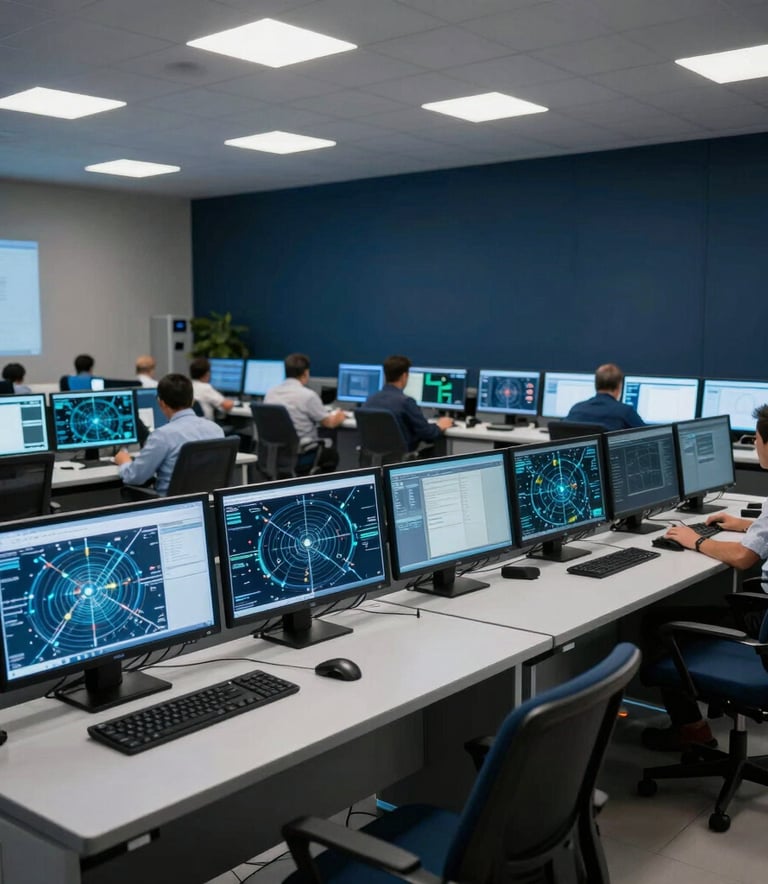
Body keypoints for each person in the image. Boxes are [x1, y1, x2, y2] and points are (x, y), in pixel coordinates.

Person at [641, 403, 768, 751]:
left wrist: (693, 540)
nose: (754, 444)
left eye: (756, 438)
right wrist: (745, 525)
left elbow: (743, 558)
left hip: (763, 630)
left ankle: (692, 733)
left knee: (658, 624)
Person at [114, 373, 223, 494]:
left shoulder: (162, 436)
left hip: (170, 505)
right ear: (192, 400)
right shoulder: (216, 429)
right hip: (206, 501)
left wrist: (124, 462)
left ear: (162, 403)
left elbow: (135, 477)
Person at [264, 353, 346, 472]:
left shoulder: (270, 393)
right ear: (305, 373)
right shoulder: (308, 396)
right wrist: (340, 415)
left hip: (276, 454)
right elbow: (329, 423)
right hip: (301, 453)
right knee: (332, 455)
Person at [363, 355, 453, 452]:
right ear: (404, 376)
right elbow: (427, 433)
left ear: (385, 375)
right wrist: (440, 425)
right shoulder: (406, 402)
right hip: (403, 459)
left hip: (376, 460)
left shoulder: (370, 400)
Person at [565, 363, 644, 431]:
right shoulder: (625, 412)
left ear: (596, 384)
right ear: (619, 386)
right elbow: (649, 436)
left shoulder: (576, 409)